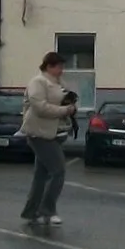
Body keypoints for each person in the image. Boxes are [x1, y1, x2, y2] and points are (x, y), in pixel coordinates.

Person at [19, 51, 76, 226]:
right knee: (58, 171)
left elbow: (63, 100)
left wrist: (71, 104)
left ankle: (31, 211)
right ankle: (48, 210)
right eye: (59, 66)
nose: (62, 70)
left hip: (54, 133)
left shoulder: (58, 83)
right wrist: (65, 110)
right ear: (49, 66)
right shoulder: (38, 82)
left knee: (41, 175)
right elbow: (39, 107)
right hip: (40, 133)